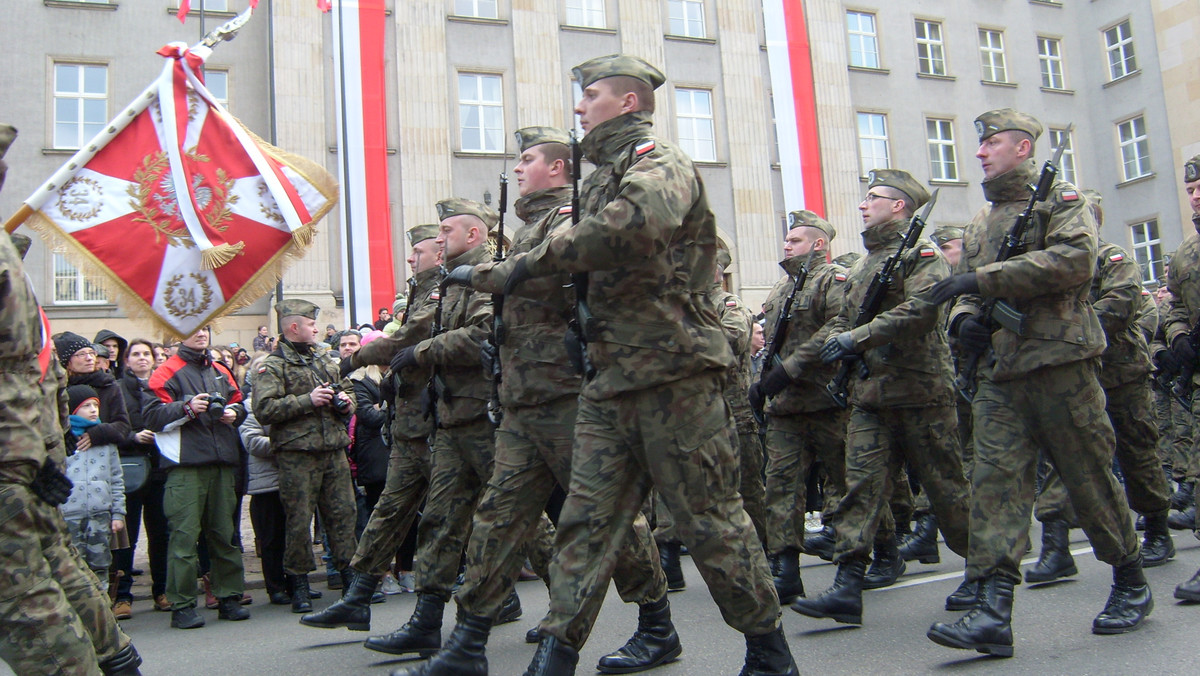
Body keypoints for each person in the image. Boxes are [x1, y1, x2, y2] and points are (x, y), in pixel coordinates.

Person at [498, 55, 798, 675]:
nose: (580, 108)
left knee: (710, 522)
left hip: (673, 376)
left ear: (628, 103)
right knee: (584, 525)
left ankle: (769, 653)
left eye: (592, 96)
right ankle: (553, 659)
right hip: (609, 383)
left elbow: (635, 227)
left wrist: (524, 265)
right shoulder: (597, 179)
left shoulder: (658, 164)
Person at [395, 126, 679, 676]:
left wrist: (482, 276)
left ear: (559, 169)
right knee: (497, 520)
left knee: (607, 520)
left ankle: (655, 623)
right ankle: (467, 644)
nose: (520, 168)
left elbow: (552, 282)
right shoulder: (527, 231)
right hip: (522, 400)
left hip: (570, 395)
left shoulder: (571, 220)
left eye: (529, 160)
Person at [926, 109, 1150, 657]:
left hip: (1059, 363)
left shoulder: (1060, 201)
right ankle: (993, 610)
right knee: (995, 485)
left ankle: (1130, 580)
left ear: (1023, 149)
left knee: (1089, 477)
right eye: (980, 145)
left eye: (993, 143)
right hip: (1003, 372)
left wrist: (984, 279)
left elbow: (1075, 261)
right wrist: (964, 317)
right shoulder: (982, 220)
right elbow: (968, 291)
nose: (981, 152)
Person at [790, 169, 971, 626]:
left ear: (899, 206)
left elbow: (922, 311)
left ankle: (984, 574)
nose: (862, 205)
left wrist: (858, 337)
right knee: (861, 488)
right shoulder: (866, 264)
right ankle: (848, 585)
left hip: (920, 392)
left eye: (874, 197)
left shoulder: (921, 255)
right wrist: (831, 346)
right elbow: (845, 320)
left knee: (947, 491)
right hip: (871, 394)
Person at [1, 122, 144, 675]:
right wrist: (41, 452)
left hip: (15, 466)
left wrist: (31, 455)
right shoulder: (26, 295)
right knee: (53, 574)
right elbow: (38, 385)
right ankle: (116, 661)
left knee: (27, 603)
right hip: (27, 462)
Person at [301, 223, 443, 640]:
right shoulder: (420, 289)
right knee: (388, 513)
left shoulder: (443, 289)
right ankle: (358, 598)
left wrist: (354, 357)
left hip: (440, 424)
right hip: (410, 424)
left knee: (493, 517)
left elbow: (411, 338)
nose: (411, 259)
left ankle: (499, 598)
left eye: (418, 251)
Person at [747, 210, 848, 605]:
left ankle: (881, 550)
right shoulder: (778, 290)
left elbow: (839, 326)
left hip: (826, 401)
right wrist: (762, 383)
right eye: (787, 240)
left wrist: (789, 369)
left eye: (795, 240)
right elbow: (770, 344)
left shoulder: (834, 280)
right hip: (786, 407)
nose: (786, 245)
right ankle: (785, 566)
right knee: (781, 487)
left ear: (818, 244)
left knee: (847, 481)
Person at [253, 299, 358, 615]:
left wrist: (343, 402)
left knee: (344, 515)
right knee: (299, 521)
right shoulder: (272, 367)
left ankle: (351, 580)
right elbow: (264, 410)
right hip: (297, 454)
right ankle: (298, 583)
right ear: (294, 328)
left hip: (333, 450)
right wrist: (306, 400)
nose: (317, 328)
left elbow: (349, 390)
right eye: (312, 324)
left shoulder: (325, 360)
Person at [143, 325, 250, 629]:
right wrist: (187, 408)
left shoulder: (219, 369)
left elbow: (239, 403)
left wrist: (234, 413)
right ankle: (183, 604)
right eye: (193, 329)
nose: (201, 334)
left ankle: (229, 597)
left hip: (221, 463)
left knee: (223, 535)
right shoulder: (166, 371)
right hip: (185, 465)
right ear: (178, 334)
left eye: (205, 328)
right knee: (184, 537)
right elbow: (151, 417)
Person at [111, 338, 172, 618]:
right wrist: (133, 436)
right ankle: (122, 595)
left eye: (146, 353)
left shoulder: (164, 385)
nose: (142, 358)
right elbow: (111, 426)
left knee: (161, 535)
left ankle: (161, 591)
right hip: (131, 468)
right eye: (135, 354)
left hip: (161, 468)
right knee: (127, 537)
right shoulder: (118, 388)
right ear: (127, 360)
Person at [1164, 154, 1200, 601]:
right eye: (1191, 189)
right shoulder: (1186, 252)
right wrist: (1176, 338)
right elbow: (1174, 304)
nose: (1195, 195)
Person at [61, 385, 127, 594]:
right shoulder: (63, 442)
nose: (93, 410)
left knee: (100, 565)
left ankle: (103, 610)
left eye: (95, 405)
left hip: (100, 514)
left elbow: (116, 479)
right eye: (86, 406)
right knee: (73, 567)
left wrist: (118, 513)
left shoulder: (105, 442)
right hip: (70, 514)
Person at [57, 332, 131, 459]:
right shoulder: (59, 389)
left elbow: (123, 426)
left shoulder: (108, 385)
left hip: (102, 457)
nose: (89, 358)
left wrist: (97, 433)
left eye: (91, 353)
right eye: (81, 354)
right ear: (67, 361)